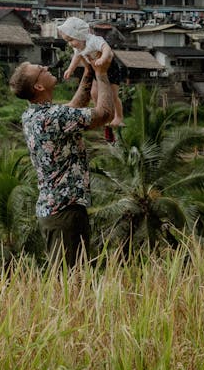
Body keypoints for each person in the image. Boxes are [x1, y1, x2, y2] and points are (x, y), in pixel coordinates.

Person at [9, 56, 113, 269]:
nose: (46, 67)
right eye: (41, 69)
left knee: (70, 281)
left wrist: (88, 72)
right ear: (38, 85)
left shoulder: (33, 115)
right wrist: (102, 73)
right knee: (72, 284)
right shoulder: (53, 117)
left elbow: (74, 108)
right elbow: (104, 114)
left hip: (55, 211)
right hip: (65, 212)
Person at [57, 16, 124, 128]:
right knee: (94, 92)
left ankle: (119, 117)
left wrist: (103, 58)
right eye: (68, 41)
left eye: (71, 40)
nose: (70, 44)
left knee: (113, 95)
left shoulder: (93, 40)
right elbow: (76, 57)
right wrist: (70, 69)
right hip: (95, 68)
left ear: (80, 35)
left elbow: (106, 48)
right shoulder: (78, 46)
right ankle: (101, 110)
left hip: (110, 67)